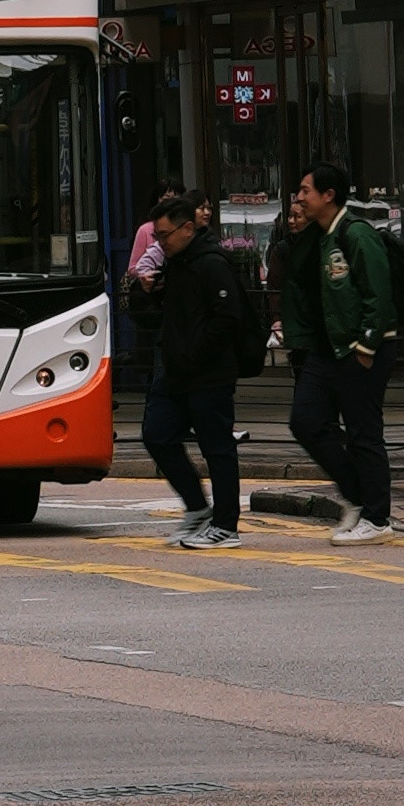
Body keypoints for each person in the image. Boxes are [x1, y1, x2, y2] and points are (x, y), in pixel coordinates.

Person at [270, 167, 397, 542]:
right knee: (305, 422)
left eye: (305, 190)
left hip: (360, 349)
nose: (299, 198)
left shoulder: (356, 234)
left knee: (363, 434)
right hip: (327, 350)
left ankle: (377, 519)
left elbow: (379, 295)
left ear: (328, 195)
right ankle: (358, 498)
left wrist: (366, 347)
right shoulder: (320, 237)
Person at [139, 193, 248, 547]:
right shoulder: (176, 262)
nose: (161, 242)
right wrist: (150, 292)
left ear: (188, 228)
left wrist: (195, 353)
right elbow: (166, 312)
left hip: (208, 372)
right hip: (174, 369)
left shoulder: (211, 262)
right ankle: (197, 508)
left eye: (165, 235)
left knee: (216, 447)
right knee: (157, 435)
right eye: (158, 235)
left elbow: (228, 318)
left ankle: (226, 525)